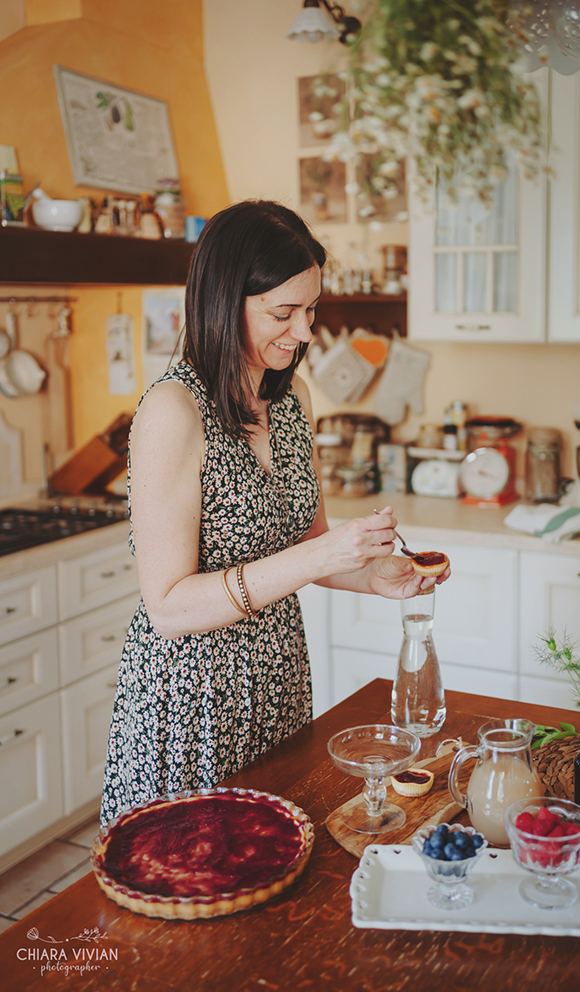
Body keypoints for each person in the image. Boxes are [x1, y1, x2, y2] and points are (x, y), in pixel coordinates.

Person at [100, 200, 450, 826]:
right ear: (222, 301)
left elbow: (305, 545)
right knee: (195, 890)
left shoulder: (291, 401)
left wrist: (372, 574)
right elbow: (169, 606)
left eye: (310, 309)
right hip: (192, 703)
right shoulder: (172, 412)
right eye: (283, 312)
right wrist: (320, 553)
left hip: (278, 681)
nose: (305, 331)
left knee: (276, 874)